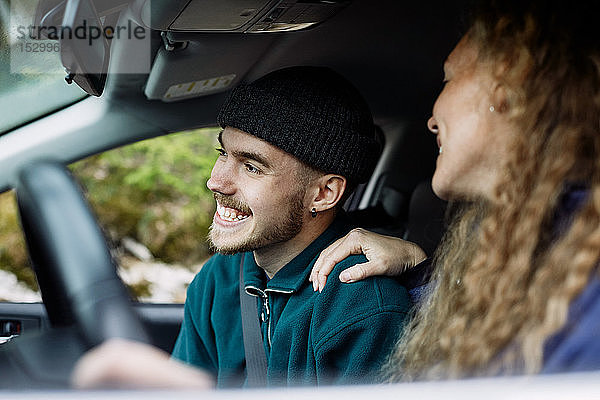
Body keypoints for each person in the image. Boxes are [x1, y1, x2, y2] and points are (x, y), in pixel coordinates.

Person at [310, 0, 600, 381]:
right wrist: (416, 263)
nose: (431, 120)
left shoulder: (582, 264)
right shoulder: (515, 241)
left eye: (447, 80)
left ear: (510, 84)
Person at [73, 66, 412, 388]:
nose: (215, 181)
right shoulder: (219, 279)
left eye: (251, 167)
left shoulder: (365, 308)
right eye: (223, 153)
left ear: (323, 194)